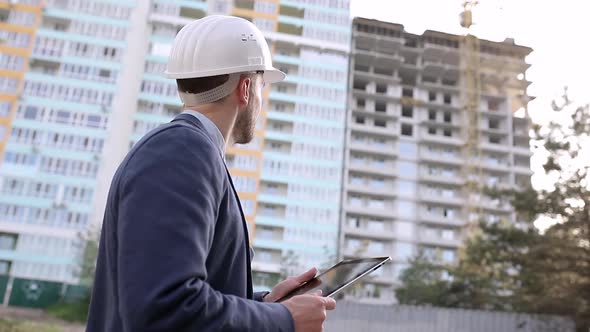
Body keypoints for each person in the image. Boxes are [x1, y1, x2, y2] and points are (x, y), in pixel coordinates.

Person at [86, 15, 336, 332]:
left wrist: (265, 305)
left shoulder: (188, 151)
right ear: (246, 88)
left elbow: (180, 298)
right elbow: (166, 309)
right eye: (262, 85)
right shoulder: (182, 151)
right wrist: (283, 320)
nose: (261, 98)